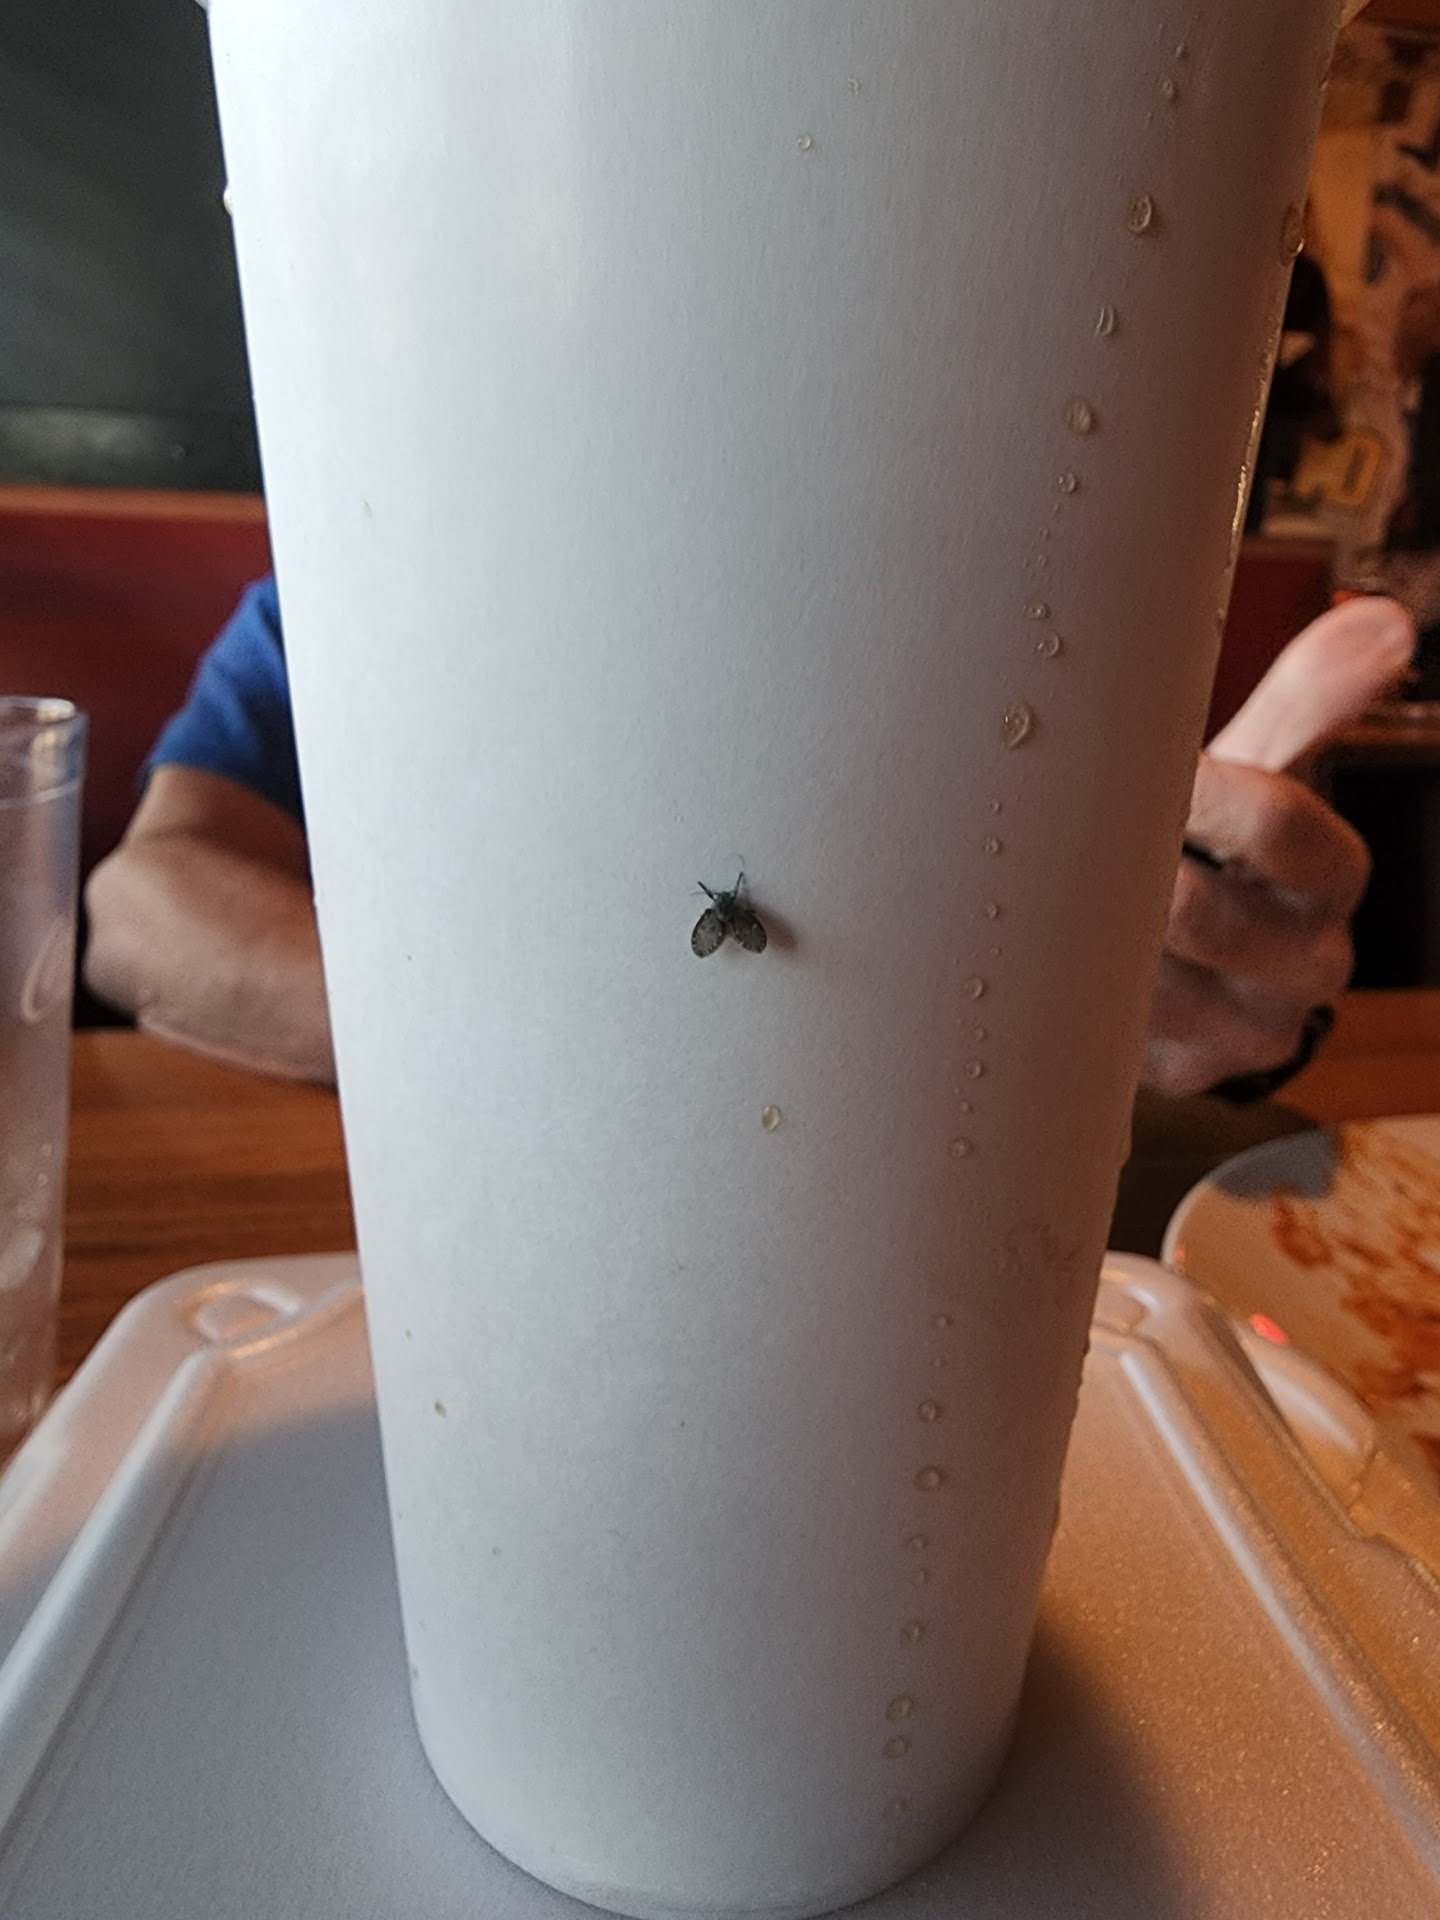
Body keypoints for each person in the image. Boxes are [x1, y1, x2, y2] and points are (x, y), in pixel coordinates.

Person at [83, 579, 1416, 1098]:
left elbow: (1105, 944)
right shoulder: (343, 592)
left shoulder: (966, 600)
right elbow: (140, 906)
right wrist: (557, 1063)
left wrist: (1224, 973)